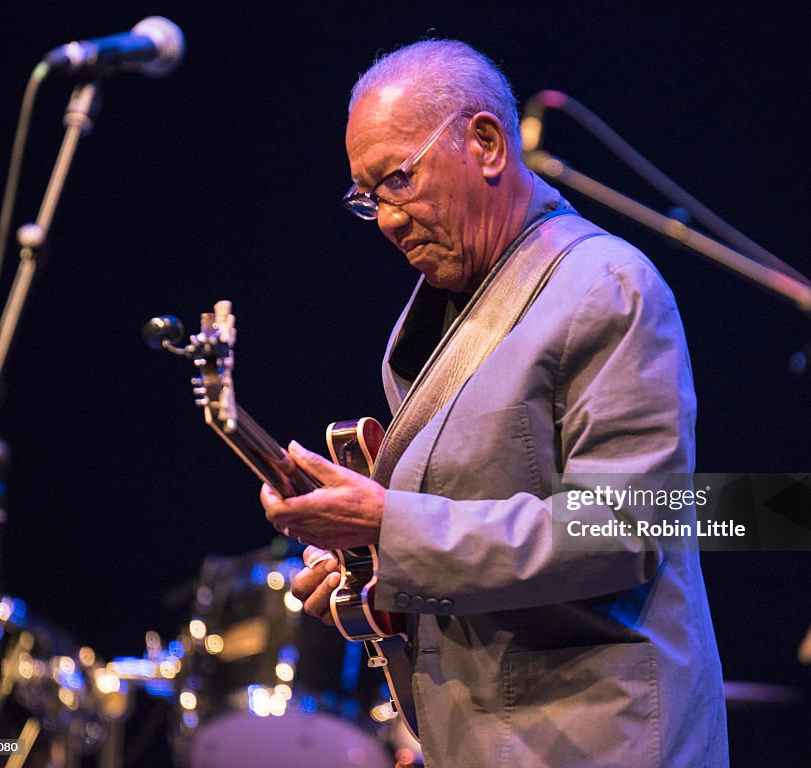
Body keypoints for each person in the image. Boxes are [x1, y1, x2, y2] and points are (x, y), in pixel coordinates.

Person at [261, 39, 729, 767]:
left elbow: (623, 529)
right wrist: (372, 572)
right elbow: (474, 535)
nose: (385, 218)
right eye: (367, 197)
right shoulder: (448, 310)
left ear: (484, 144)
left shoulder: (606, 286)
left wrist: (391, 526)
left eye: (398, 180)